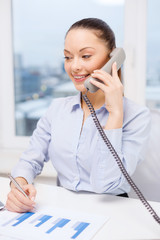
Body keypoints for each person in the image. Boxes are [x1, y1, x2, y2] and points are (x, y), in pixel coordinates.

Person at [6, 18, 150, 213]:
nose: (74, 67)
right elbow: (29, 160)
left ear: (112, 59)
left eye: (86, 56)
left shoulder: (136, 116)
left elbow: (105, 184)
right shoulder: (57, 109)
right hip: (64, 209)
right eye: (68, 57)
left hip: (114, 213)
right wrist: (19, 186)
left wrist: (115, 113)